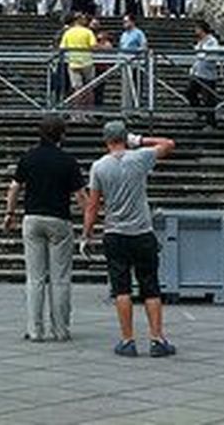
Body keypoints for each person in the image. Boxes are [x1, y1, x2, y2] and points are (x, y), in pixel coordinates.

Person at [83, 121, 178, 358]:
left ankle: (128, 340)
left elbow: (93, 205)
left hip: (115, 233)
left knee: (121, 288)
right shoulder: (140, 158)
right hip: (142, 232)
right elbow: (168, 144)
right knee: (150, 286)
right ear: (125, 138)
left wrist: (87, 234)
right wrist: (140, 140)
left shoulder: (99, 167)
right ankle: (157, 339)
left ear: (106, 141)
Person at [3, 116, 88, 342]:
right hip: (59, 220)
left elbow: (14, 188)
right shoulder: (68, 161)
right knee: (60, 278)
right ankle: (61, 329)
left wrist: (10, 214)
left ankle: (35, 330)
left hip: (32, 219)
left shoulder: (28, 157)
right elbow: (80, 195)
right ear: (62, 135)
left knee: (35, 278)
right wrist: (90, 220)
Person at [58, 14, 97, 106]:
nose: (85, 20)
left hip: (73, 63)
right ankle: (89, 112)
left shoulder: (68, 32)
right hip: (87, 62)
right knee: (89, 88)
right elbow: (94, 46)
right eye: (83, 19)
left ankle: (77, 114)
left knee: (77, 89)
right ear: (79, 20)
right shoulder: (88, 32)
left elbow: (62, 47)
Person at [186, 22, 220, 128]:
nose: (196, 31)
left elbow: (211, 55)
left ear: (202, 29)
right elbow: (197, 57)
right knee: (189, 93)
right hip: (198, 73)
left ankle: (211, 123)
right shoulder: (200, 41)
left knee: (208, 99)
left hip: (208, 74)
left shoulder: (212, 41)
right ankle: (201, 112)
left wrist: (201, 53)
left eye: (197, 29)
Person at [117, 15, 146, 109]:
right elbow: (121, 48)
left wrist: (135, 55)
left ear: (132, 22)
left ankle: (136, 106)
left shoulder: (139, 33)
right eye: (123, 22)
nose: (124, 24)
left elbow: (144, 46)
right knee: (126, 86)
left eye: (126, 21)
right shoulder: (124, 34)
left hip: (135, 63)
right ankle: (126, 106)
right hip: (125, 63)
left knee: (136, 86)